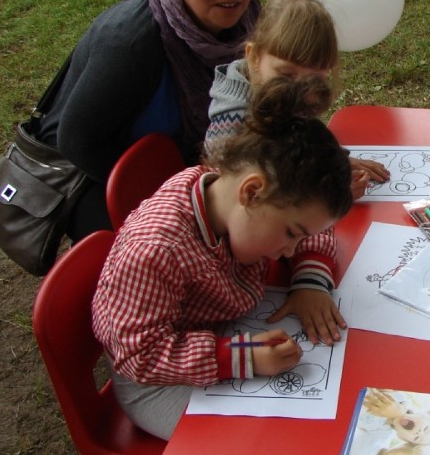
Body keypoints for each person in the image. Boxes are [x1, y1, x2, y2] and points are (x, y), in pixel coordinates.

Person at [91, 77, 354, 440]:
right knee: (275, 440)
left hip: (222, 328)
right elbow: (142, 356)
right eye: (291, 235)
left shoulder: (237, 197)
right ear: (252, 191)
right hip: (158, 380)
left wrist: (309, 278)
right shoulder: (155, 251)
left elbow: (312, 223)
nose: (291, 250)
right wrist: (238, 357)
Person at [34, 0, 262, 242]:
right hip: (95, 177)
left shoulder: (249, 23)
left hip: (180, 161)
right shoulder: (130, 43)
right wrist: (170, 196)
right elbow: (76, 141)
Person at [204, 0, 390, 199]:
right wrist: (327, 195)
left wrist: (331, 162)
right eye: (286, 73)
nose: (301, 88)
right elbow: (241, 202)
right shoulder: (232, 123)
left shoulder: (283, 92)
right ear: (254, 57)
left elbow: (295, 147)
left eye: (315, 77)